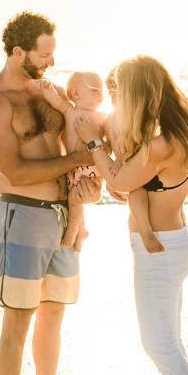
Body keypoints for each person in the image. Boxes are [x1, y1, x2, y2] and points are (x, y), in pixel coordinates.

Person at [75, 55, 188, 375]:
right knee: (169, 338)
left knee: (159, 346)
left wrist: (93, 143)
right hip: (172, 244)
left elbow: (119, 180)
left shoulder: (160, 143)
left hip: (159, 252)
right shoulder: (183, 132)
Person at [0, 11, 100, 375]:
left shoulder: (50, 92)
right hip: (23, 216)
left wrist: (88, 189)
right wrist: (78, 160)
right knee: (19, 319)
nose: (50, 64)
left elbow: (78, 135)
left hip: (63, 216)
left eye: (52, 54)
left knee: (54, 315)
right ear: (18, 52)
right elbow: (15, 171)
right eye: (43, 55)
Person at [103, 68, 188, 254]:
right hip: (132, 166)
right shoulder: (112, 118)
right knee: (137, 193)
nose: (113, 101)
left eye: (117, 95)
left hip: (142, 168)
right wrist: (116, 161)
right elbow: (111, 143)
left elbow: (161, 125)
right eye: (111, 97)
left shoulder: (142, 118)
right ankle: (146, 231)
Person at [39, 71, 108, 252]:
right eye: (96, 90)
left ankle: (73, 230)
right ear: (76, 94)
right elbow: (55, 100)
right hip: (74, 167)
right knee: (76, 196)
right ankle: (82, 231)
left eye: (102, 91)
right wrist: (47, 88)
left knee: (75, 199)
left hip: (94, 167)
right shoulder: (69, 110)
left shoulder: (102, 117)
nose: (101, 95)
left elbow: (111, 144)